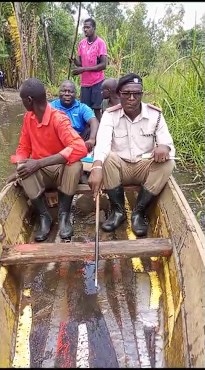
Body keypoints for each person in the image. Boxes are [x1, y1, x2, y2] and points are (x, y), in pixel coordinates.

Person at [88, 73, 175, 237]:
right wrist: (97, 166)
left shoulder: (155, 115)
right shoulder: (109, 115)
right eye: (126, 93)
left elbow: (168, 143)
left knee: (168, 163)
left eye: (136, 93)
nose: (132, 98)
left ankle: (138, 212)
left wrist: (164, 147)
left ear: (142, 94)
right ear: (119, 94)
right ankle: (118, 211)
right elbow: (102, 144)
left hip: (144, 168)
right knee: (106, 158)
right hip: (120, 168)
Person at [9, 77, 88, 242]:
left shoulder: (58, 118)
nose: (23, 102)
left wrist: (38, 163)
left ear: (29, 100)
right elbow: (23, 148)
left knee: (75, 165)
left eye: (23, 99)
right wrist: (19, 166)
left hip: (60, 170)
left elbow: (80, 147)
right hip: (42, 172)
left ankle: (64, 215)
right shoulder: (28, 118)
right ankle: (44, 216)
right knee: (23, 167)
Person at [71, 18, 108, 122]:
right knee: (85, 110)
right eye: (84, 27)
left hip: (97, 82)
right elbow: (80, 63)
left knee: (97, 110)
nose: (85, 30)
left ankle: (101, 133)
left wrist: (83, 69)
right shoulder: (81, 44)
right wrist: (74, 60)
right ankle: (88, 133)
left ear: (94, 28)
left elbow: (103, 65)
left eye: (88, 27)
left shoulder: (100, 43)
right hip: (85, 84)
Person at [50, 80, 99, 153]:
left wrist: (92, 139)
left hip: (78, 139)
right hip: (58, 138)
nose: (67, 94)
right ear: (59, 93)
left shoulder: (82, 107)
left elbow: (94, 121)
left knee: (91, 129)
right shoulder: (51, 106)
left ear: (75, 94)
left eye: (70, 92)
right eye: (64, 91)